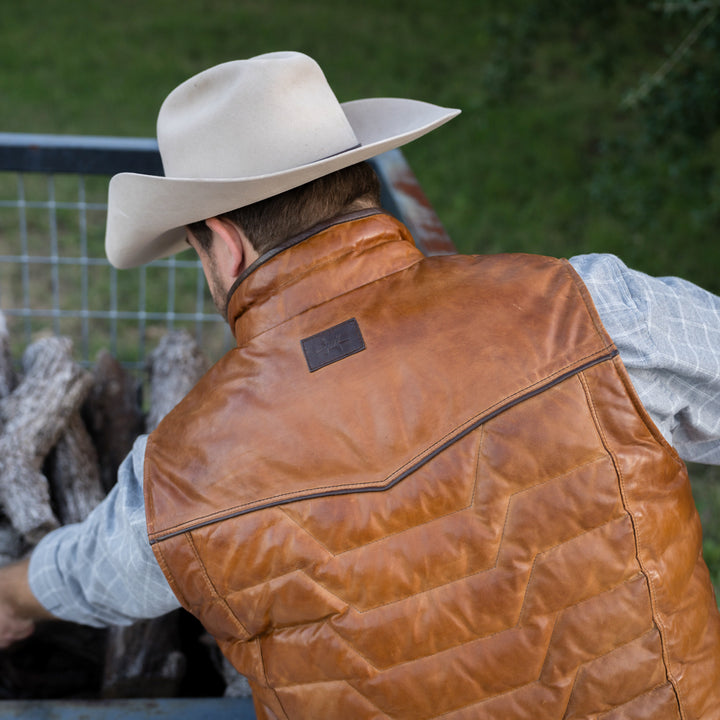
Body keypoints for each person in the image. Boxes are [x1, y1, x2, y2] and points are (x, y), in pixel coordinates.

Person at [0, 50, 719, 719]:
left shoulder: (182, 473)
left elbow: (96, 573)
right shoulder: (590, 309)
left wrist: (13, 594)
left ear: (224, 243)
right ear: (361, 178)